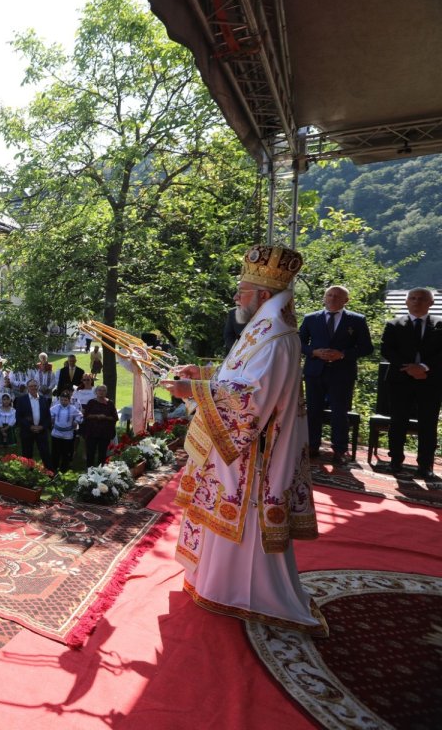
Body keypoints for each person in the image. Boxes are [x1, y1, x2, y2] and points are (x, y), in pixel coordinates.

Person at [160, 243, 325, 636]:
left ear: (264, 296)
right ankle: (215, 583)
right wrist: (201, 373)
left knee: (241, 515)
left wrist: (195, 390)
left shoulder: (277, 336)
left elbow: (251, 400)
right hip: (238, 454)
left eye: (242, 291)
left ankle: (241, 593)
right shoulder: (262, 329)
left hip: (255, 458)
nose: (237, 297)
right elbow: (239, 375)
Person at [297, 285, 374, 466]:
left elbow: (367, 348)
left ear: (346, 300)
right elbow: (298, 343)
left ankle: (339, 450)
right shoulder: (311, 318)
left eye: (337, 296)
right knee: (313, 411)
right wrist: (314, 352)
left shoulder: (356, 320)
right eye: (329, 295)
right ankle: (312, 446)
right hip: (315, 372)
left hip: (342, 374)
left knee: (340, 413)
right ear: (324, 298)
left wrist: (343, 354)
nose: (332, 298)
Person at [379, 287, 442, 480]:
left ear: (431, 303)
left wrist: (423, 367)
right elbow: (386, 350)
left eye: (422, 299)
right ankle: (395, 461)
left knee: (428, 424)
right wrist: (410, 368)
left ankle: (425, 466)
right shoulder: (393, 324)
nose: (416, 301)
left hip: (430, 381)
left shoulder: (440, 325)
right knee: (398, 422)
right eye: (412, 298)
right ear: (407, 302)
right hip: (400, 381)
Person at [14, 380, 49, 463]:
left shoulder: (44, 399)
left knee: (45, 453)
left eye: (35, 386)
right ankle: (27, 473)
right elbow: (18, 417)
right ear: (27, 388)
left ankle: (49, 473)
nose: (33, 388)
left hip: (41, 431)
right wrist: (30, 426)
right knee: (27, 454)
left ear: (38, 387)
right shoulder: (21, 400)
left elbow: (48, 417)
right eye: (31, 386)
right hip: (27, 431)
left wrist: (42, 427)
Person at [81, 385, 118, 465]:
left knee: (102, 453)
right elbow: (86, 415)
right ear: (96, 392)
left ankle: (101, 470)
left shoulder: (110, 403)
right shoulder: (91, 402)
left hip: (105, 433)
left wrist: (106, 417)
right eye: (99, 390)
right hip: (92, 432)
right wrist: (96, 416)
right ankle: (89, 470)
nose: (101, 392)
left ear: (106, 392)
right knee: (90, 452)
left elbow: (115, 418)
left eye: (104, 390)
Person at [49, 391, 81, 472]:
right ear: (59, 400)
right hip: (56, 434)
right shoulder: (55, 408)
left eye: (65, 400)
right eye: (62, 400)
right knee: (55, 452)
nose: (63, 402)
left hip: (67, 435)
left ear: (69, 400)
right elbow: (49, 414)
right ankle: (54, 469)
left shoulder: (73, 409)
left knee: (66, 453)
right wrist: (51, 419)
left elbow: (80, 416)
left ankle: (64, 469)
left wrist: (76, 421)